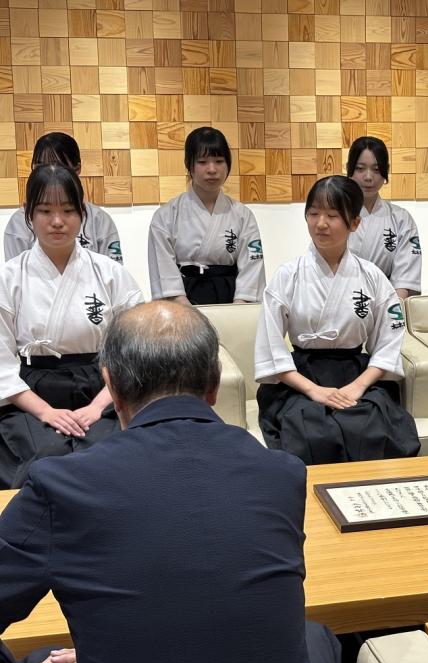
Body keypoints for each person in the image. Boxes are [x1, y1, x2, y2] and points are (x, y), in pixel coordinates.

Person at [0, 302, 341, 663]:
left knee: (41, 658)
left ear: (111, 386)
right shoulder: (282, 472)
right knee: (317, 635)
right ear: (214, 384)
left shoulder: (61, 484)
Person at [255, 176, 420, 464]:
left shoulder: (372, 277)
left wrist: (358, 386)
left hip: (356, 374)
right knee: (309, 429)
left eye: (332, 215)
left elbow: (390, 340)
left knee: (371, 426)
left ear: (354, 223)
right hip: (301, 380)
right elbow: (271, 345)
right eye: (314, 213)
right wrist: (314, 391)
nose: (321, 223)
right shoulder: (288, 276)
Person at [0, 164, 143, 489]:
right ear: (28, 214)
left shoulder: (111, 274)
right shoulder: (9, 278)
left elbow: (134, 350)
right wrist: (47, 413)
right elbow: (2, 365)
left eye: (67, 210)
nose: (57, 221)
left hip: (103, 388)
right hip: (31, 393)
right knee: (46, 456)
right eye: (45, 210)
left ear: (83, 212)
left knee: (108, 455)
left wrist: (96, 406)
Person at [147, 126, 265, 305]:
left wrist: (237, 310)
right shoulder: (166, 216)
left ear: (228, 164)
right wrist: (186, 311)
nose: (212, 169)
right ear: (189, 164)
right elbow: (164, 273)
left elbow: (252, 268)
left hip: (232, 301)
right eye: (202, 162)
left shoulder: (242, 215)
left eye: (219, 161)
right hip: (183, 303)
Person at [4, 132, 122, 263]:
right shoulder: (18, 223)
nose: (50, 172)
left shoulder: (99, 220)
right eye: (40, 167)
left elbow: (113, 273)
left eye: (68, 210)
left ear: (77, 169)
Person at [347, 136, 422, 298]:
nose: (368, 177)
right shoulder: (337, 215)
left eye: (376, 169)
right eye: (360, 168)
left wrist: (391, 312)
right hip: (343, 299)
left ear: (385, 170)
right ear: (350, 169)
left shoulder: (401, 219)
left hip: (387, 299)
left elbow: (404, 280)